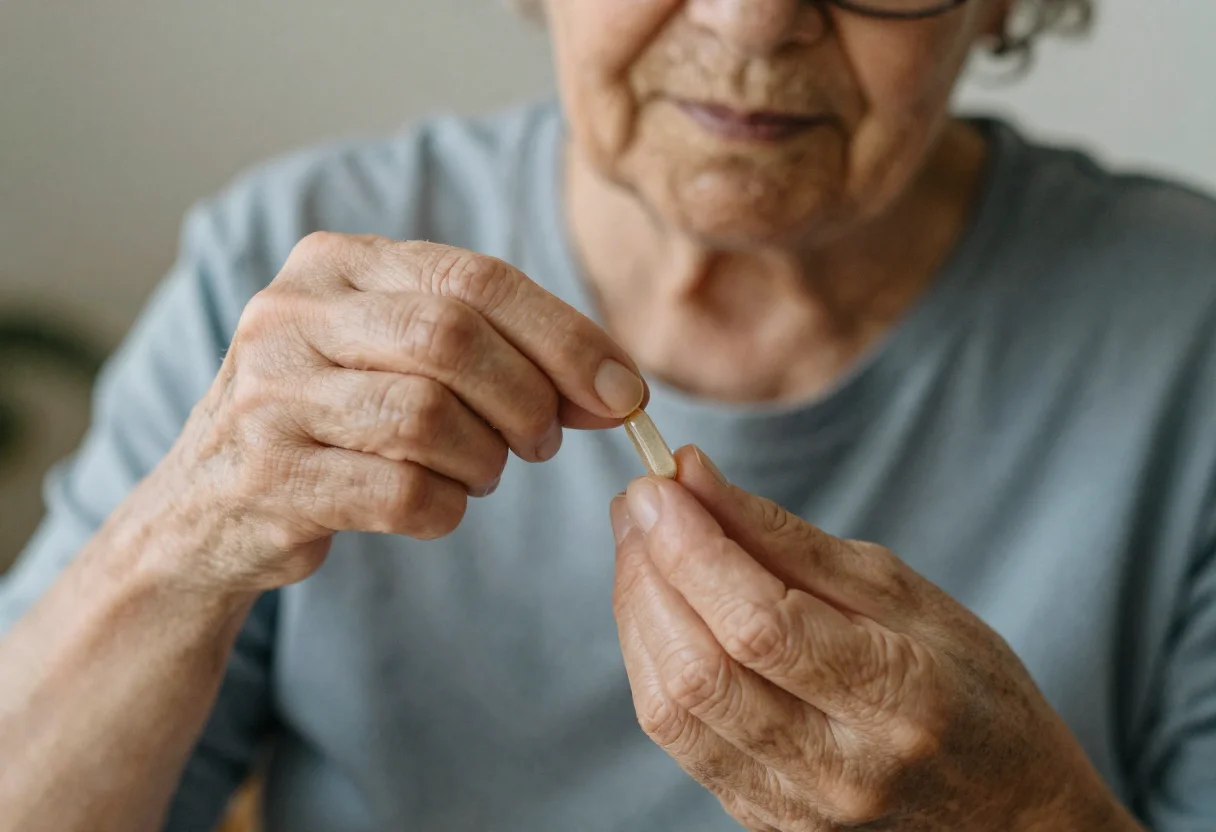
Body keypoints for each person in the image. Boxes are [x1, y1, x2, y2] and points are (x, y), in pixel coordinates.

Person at [2, 0, 1214, 829]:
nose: (751, 20)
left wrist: (1030, 819)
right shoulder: (285, 274)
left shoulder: (1189, 339)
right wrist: (183, 535)